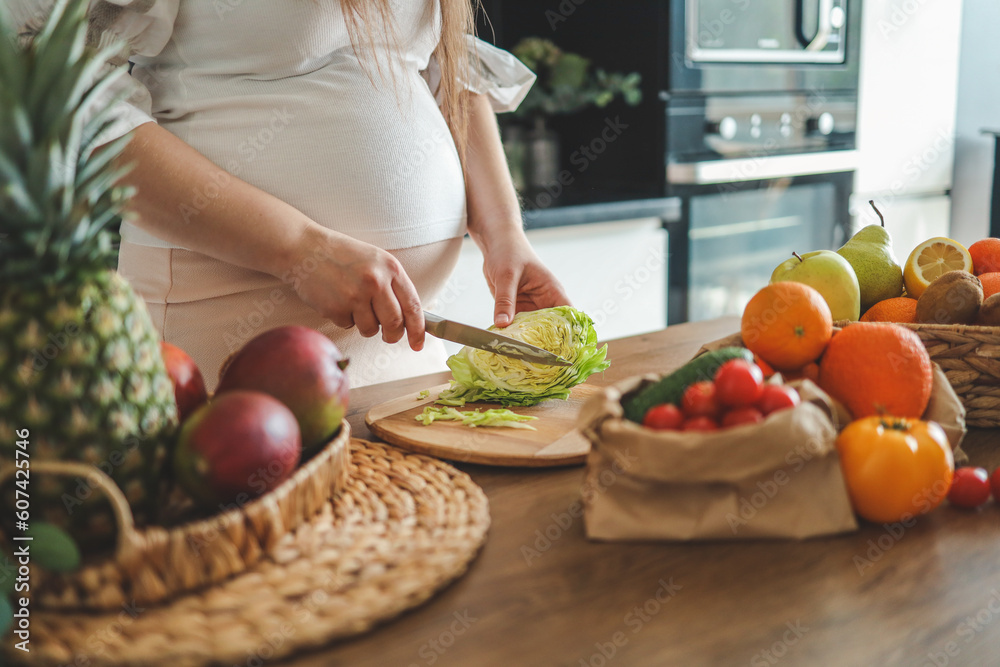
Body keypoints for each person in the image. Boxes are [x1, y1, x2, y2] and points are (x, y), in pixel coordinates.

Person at [10, 0, 570, 389]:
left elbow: (444, 66)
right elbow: (59, 84)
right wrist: (300, 251)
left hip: (406, 345)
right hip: (225, 336)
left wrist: (503, 234)